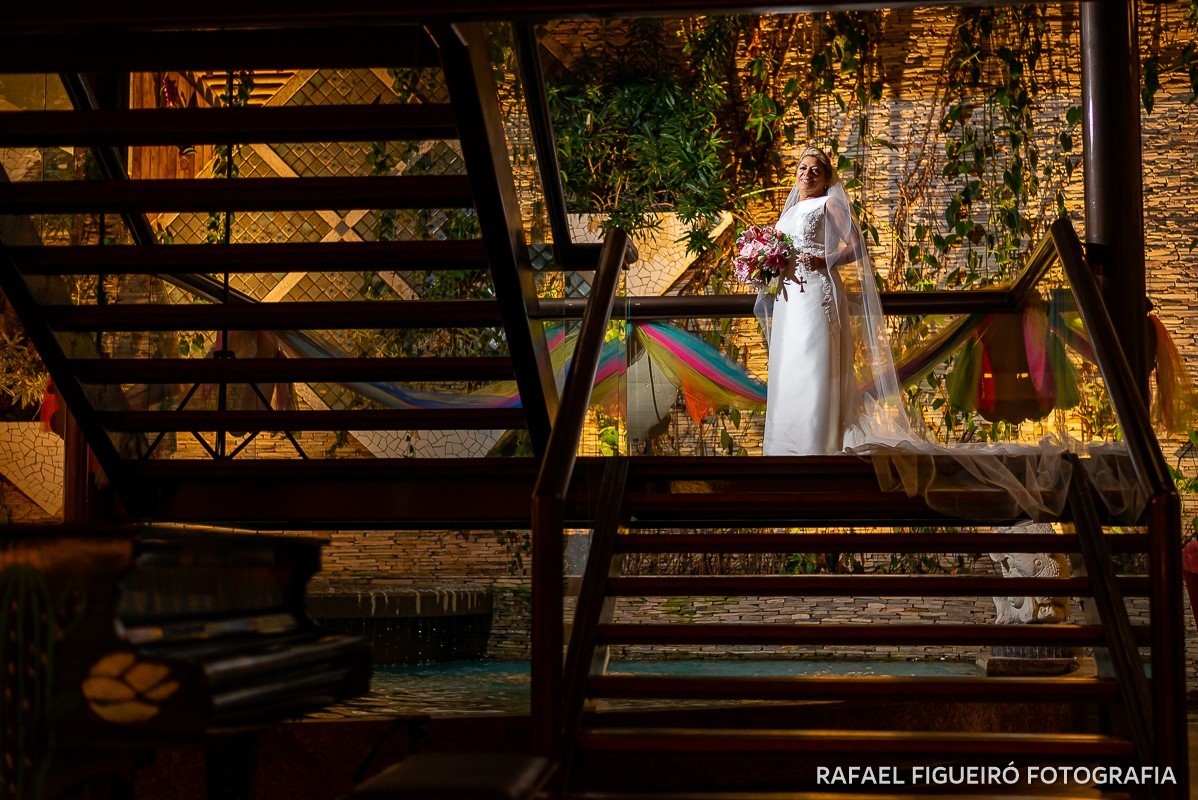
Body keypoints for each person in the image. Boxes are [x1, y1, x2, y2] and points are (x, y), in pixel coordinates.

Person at [760, 146, 910, 455]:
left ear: (826, 177)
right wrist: (762, 263)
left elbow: (857, 245)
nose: (808, 174)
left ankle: (815, 444)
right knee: (788, 364)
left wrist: (824, 260)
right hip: (788, 298)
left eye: (816, 170)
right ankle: (783, 448)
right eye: (803, 168)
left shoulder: (828, 204)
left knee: (812, 360)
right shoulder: (788, 213)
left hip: (816, 293)